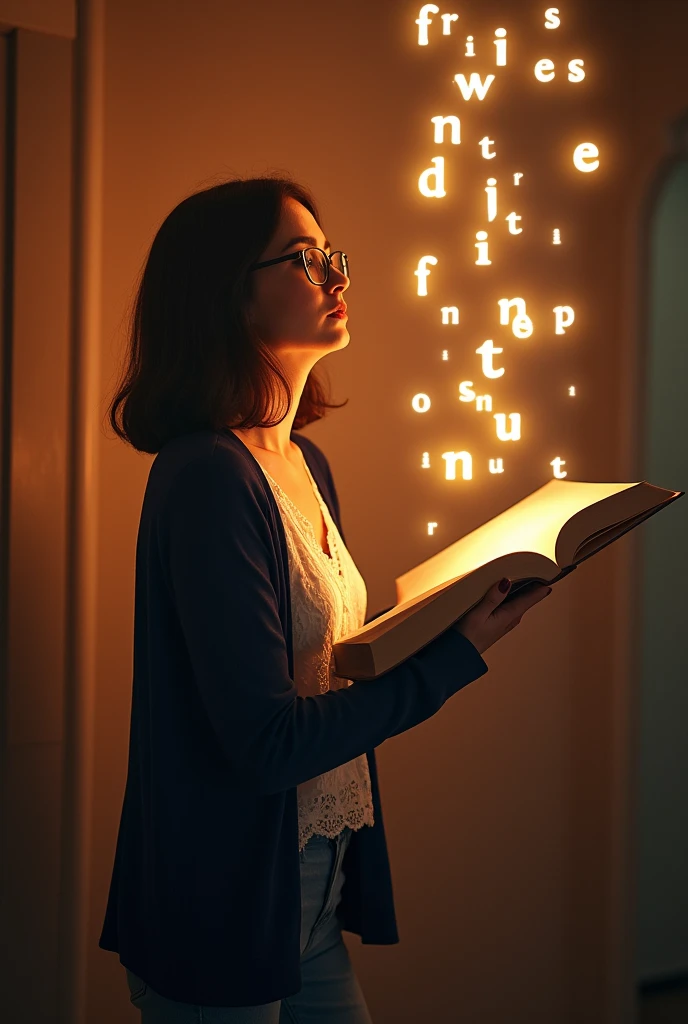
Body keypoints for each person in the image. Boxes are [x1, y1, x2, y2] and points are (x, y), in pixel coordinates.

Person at [98, 175, 552, 1022]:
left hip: (313, 889)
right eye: (305, 259)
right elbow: (265, 741)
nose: (337, 275)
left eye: (331, 254)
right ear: (228, 293)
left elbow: (328, 667)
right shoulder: (204, 475)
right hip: (225, 903)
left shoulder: (305, 464)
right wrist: (455, 657)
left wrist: (451, 610)